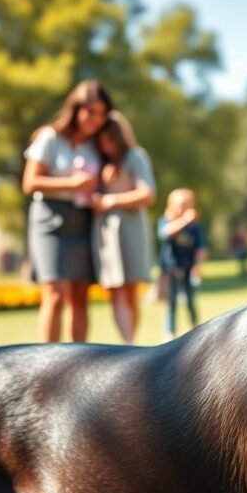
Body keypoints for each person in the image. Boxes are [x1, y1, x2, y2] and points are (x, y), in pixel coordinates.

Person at [22, 80, 112, 343]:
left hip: (83, 220)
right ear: (76, 109)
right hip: (49, 218)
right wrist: (70, 184)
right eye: (91, 112)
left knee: (80, 296)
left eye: (102, 114)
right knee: (55, 293)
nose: (96, 120)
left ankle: (78, 365)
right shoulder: (50, 137)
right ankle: (46, 365)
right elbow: (29, 183)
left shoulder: (97, 146)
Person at [91, 111, 156, 344]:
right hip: (107, 232)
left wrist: (111, 200)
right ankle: (128, 343)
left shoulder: (135, 157)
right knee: (115, 289)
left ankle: (131, 342)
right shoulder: (100, 162)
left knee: (130, 290)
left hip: (131, 229)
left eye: (108, 138)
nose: (103, 144)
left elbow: (147, 194)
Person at [158, 188, 207, 341]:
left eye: (185, 206)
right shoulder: (167, 221)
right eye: (178, 206)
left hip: (188, 268)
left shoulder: (195, 227)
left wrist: (197, 266)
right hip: (171, 268)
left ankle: (196, 330)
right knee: (171, 303)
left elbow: (202, 248)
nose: (181, 210)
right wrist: (184, 221)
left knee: (190, 301)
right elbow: (165, 233)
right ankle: (169, 335)